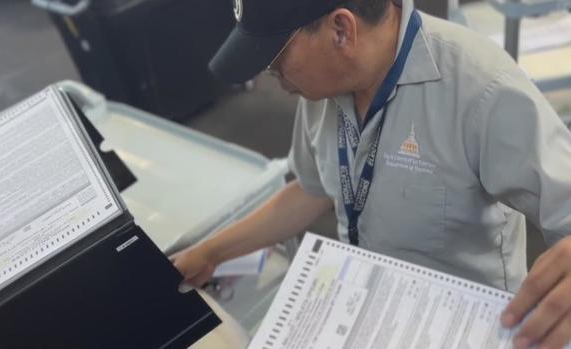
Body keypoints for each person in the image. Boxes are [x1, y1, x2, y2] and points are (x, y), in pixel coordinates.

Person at [171, 0, 571, 347]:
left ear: (341, 30)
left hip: (457, 324)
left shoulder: (482, 89)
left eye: (276, 62)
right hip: (366, 307)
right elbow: (313, 189)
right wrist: (210, 253)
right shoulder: (319, 90)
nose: (272, 78)